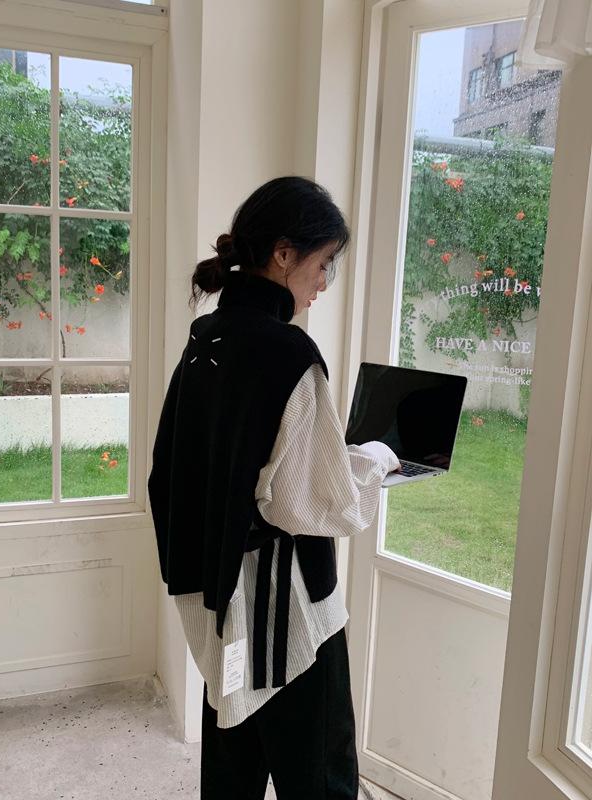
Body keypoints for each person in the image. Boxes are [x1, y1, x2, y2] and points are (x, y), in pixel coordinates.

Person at [147, 176, 400, 800]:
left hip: (221, 594)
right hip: (286, 612)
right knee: (320, 774)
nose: (323, 282)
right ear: (284, 255)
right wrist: (373, 461)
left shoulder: (208, 335)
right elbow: (314, 502)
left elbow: (185, 466)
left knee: (232, 763)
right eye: (323, 263)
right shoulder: (289, 354)